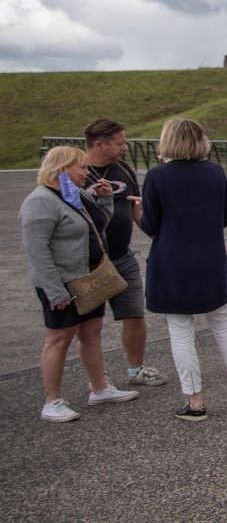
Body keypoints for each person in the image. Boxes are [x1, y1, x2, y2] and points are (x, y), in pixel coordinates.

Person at [139, 118, 227, 421]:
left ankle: (195, 401)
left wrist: (136, 210)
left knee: (181, 332)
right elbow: (224, 218)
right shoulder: (215, 172)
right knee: (223, 323)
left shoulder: (157, 177)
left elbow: (150, 225)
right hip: (211, 260)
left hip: (172, 263)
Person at [21, 145, 140, 422]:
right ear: (61, 169)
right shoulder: (40, 201)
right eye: (82, 167)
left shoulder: (76, 194)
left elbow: (98, 225)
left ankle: (99, 388)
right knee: (59, 338)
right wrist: (54, 290)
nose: (87, 173)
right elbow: (37, 251)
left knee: (91, 333)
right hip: (63, 281)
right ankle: (52, 401)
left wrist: (106, 199)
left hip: (89, 277)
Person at [83, 117, 167, 387]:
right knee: (92, 325)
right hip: (90, 264)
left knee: (134, 314)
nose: (125, 147)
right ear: (99, 144)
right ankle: (98, 381)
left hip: (122, 257)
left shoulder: (123, 170)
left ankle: (136, 370)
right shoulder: (77, 172)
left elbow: (135, 207)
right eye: (119, 143)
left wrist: (156, 234)